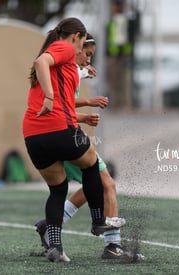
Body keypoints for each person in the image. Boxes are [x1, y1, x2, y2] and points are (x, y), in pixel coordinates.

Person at [23, 18, 117, 263]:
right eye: (83, 44)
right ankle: (98, 223)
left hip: (33, 136)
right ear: (76, 36)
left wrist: (83, 74)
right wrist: (49, 97)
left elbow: (59, 70)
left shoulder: (59, 62)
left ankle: (54, 245)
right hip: (58, 127)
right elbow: (42, 61)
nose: (81, 50)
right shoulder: (64, 46)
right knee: (93, 164)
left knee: (58, 189)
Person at [35, 34, 132, 260]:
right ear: (75, 47)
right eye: (87, 54)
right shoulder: (62, 69)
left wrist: (82, 77)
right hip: (66, 140)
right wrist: (88, 107)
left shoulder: (71, 71)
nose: (89, 60)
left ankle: (50, 226)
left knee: (92, 187)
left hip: (61, 137)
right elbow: (59, 108)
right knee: (108, 183)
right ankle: (113, 246)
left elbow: (63, 105)